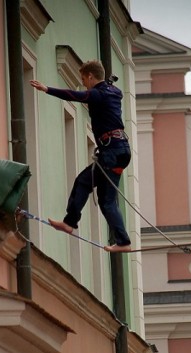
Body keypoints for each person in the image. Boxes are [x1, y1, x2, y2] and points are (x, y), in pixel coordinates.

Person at [30, 60, 132, 253]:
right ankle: (122, 241)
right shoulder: (113, 92)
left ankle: (71, 223)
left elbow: (76, 95)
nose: (83, 83)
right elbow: (110, 91)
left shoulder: (98, 94)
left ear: (91, 77)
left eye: (84, 79)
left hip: (111, 151)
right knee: (106, 200)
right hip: (120, 150)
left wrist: (47, 89)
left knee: (83, 182)